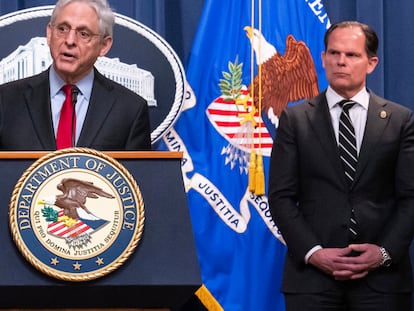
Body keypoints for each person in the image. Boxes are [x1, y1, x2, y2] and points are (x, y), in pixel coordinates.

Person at [268, 21, 414, 310]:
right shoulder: (295, 120)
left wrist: (383, 253)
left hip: (383, 284)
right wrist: (314, 252)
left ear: (371, 63)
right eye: (334, 53)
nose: (340, 62)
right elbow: (281, 197)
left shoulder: (400, 121)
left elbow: (410, 198)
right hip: (311, 282)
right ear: (323, 59)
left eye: (351, 55)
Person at [0, 0, 151, 151]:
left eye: (83, 34)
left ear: (104, 46)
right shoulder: (6, 100)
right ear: (49, 33)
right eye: (62, 29)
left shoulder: (130, 110)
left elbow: (137, 174)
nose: (70, 41)